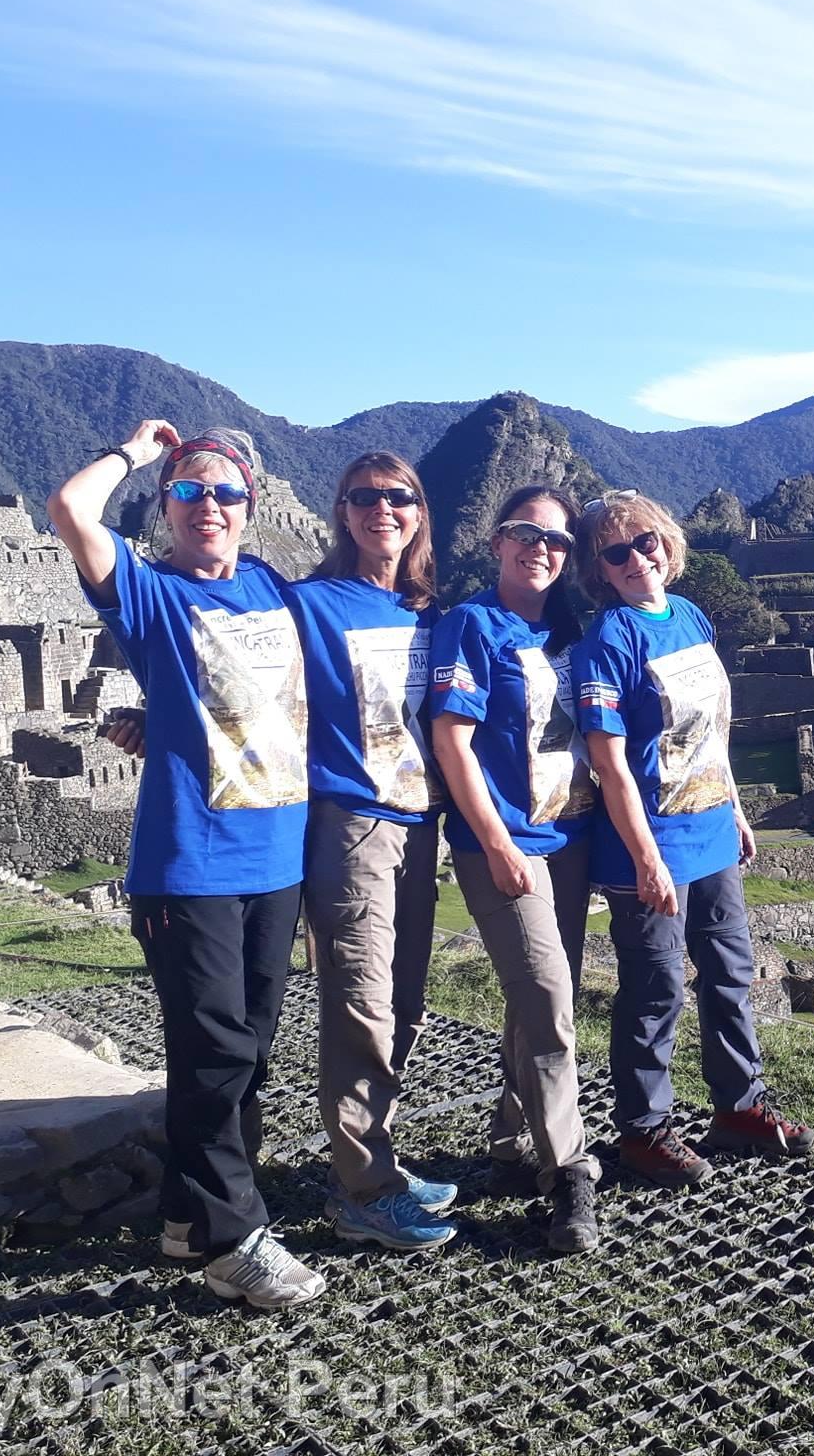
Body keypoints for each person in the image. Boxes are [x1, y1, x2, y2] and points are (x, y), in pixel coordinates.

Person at [47, 420, 322, 1310]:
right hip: (190, 865)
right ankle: (232, 1239)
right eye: (191, 492)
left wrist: (150, 715)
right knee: (212, 1052)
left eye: (225, 492)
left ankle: (186, 1216)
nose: (210, 506)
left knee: (248, 1053)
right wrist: (135, 451)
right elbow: (69, 509)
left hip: (276, 860)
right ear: (165, 508)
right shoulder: (154, 595)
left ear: (249, 507)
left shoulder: (272, 589)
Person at [572, 490, 814, 1187]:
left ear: (667, 543)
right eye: (616, 552)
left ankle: (739, 1108)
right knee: (654, 990)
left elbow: (714, 729)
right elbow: (609, 761)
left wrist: (735, 806)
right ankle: (645, 1130)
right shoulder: (610, 640)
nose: (636, 559)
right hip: (647, 845)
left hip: (709, 829)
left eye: (645, 541)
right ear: (600, 569)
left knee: (730, 974)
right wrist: (645, 856)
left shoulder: (689, 616)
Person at [283, 451, 460, 1253]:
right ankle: (364, 1190)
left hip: (420, 827)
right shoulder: (312, 604)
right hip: (352, 822)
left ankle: (373, 1158)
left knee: (407, 1002)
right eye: (363, 498)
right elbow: (239, 678)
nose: (381, 510)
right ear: (342, 513)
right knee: (361, 1001)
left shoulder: (427, 614)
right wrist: (154, 715)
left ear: (418, 514)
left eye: (398, 498)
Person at [428, 485, 602, 1252]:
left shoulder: (569, 633)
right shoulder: (472, 624)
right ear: (497, 541)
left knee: (533, 1000)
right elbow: (451, 741)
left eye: (557, 541)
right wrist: (495, 840)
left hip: (572, 838)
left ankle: (510, 1142)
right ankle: (567, 1173)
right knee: (552, 1002)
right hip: (506, 844)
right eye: (525, 533)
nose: (541, 548)